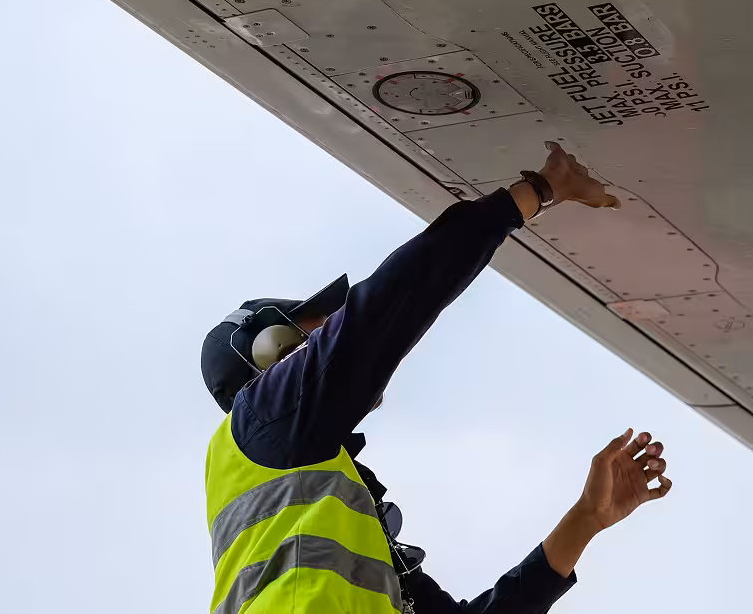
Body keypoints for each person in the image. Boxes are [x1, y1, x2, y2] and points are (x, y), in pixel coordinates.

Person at [200, 142, 672, 614]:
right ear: (272, 352)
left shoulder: (320, 498)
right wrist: (537, 191)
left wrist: (586, 518)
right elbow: (392, 302)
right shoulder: (261, 421)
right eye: (316, 330)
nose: (330, 332)